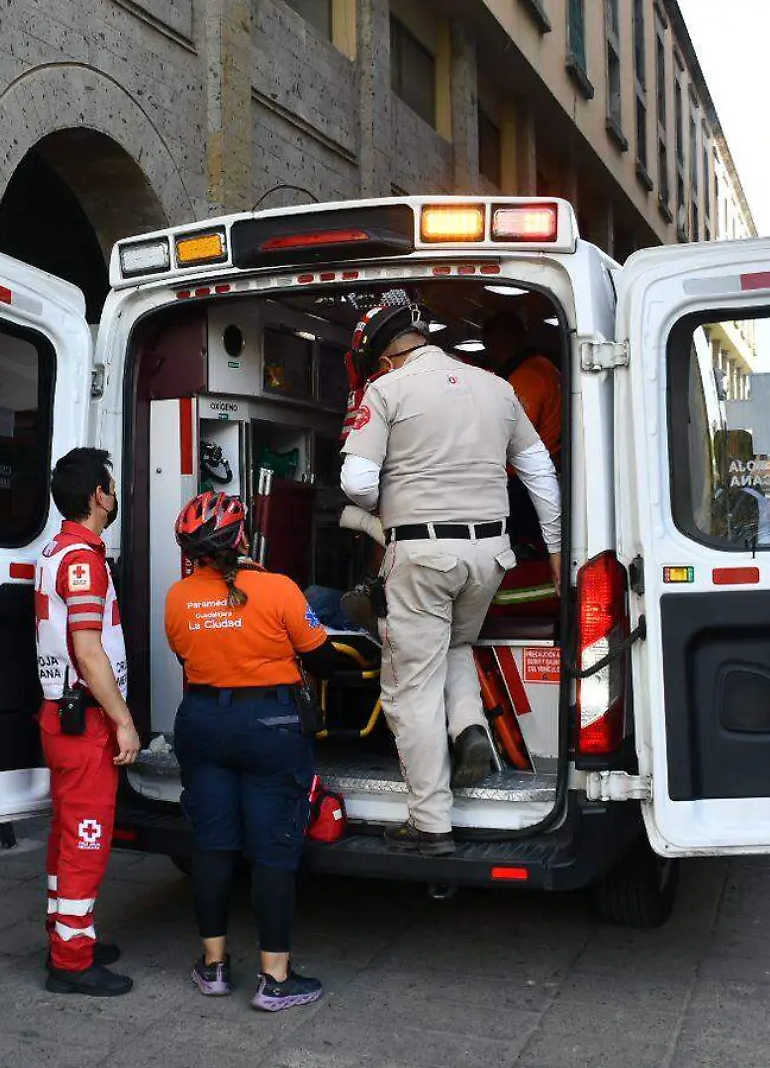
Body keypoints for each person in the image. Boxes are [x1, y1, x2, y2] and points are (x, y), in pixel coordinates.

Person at [339, 303, 562, 856]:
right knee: (457, 643)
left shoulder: (387, 391)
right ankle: (469, 730)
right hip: (491, 554)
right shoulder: (497, 387)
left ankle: (430, 823)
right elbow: (541, 474)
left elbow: (357, 482)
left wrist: (401, 495)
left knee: (409, 686)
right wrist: (557, 550)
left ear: (385, 359)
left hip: (424, 553)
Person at [166, 491, 346, 1012]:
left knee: (213, 846)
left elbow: (184, 653)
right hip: (270, 725)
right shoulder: (278, 589)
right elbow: (325, 660)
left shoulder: (177, 597)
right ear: (242, 539)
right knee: (272, 853)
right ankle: (274, 978)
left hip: (201, 722)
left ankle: (214, 966)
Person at [35, 448, 138, 997]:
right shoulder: (83, 559)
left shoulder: (58, 549)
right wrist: (123, 720)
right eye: (112, 487)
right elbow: (89, 650)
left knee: (66, 833)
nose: (115, 495)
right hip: (86, 719)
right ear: (98, 495)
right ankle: (71, 961)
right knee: (87, 838)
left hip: (62, 715)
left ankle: (65, 931)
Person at [481, 309, 564, 463]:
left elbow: (513, 437)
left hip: (526, 472)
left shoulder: (525, 377)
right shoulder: (545, 366)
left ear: (496, 344)